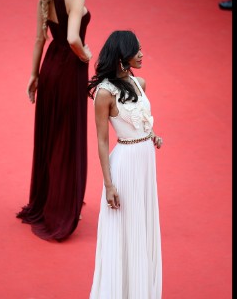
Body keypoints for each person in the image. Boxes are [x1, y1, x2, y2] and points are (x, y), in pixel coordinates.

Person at [16, 0, 92, 242]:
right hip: (69, 72)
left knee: (52, 135)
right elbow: (73, 37)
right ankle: (63, 206)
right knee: (67, 137)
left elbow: (39, 39)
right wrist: (85, 54)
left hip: (49, 69)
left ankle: (52, 200)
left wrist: (34, 75)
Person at [87, 31, 163, 298]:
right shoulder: (104, 93)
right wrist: (109, 185)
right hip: (125, 167)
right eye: (137, 50)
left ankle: (141, 290)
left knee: (142, 226)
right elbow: (102, 141)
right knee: (126, 231)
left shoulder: (139, 82)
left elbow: (140, 119)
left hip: (145, 165)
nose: (142, 54)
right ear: (122, 57)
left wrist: (152, 134)